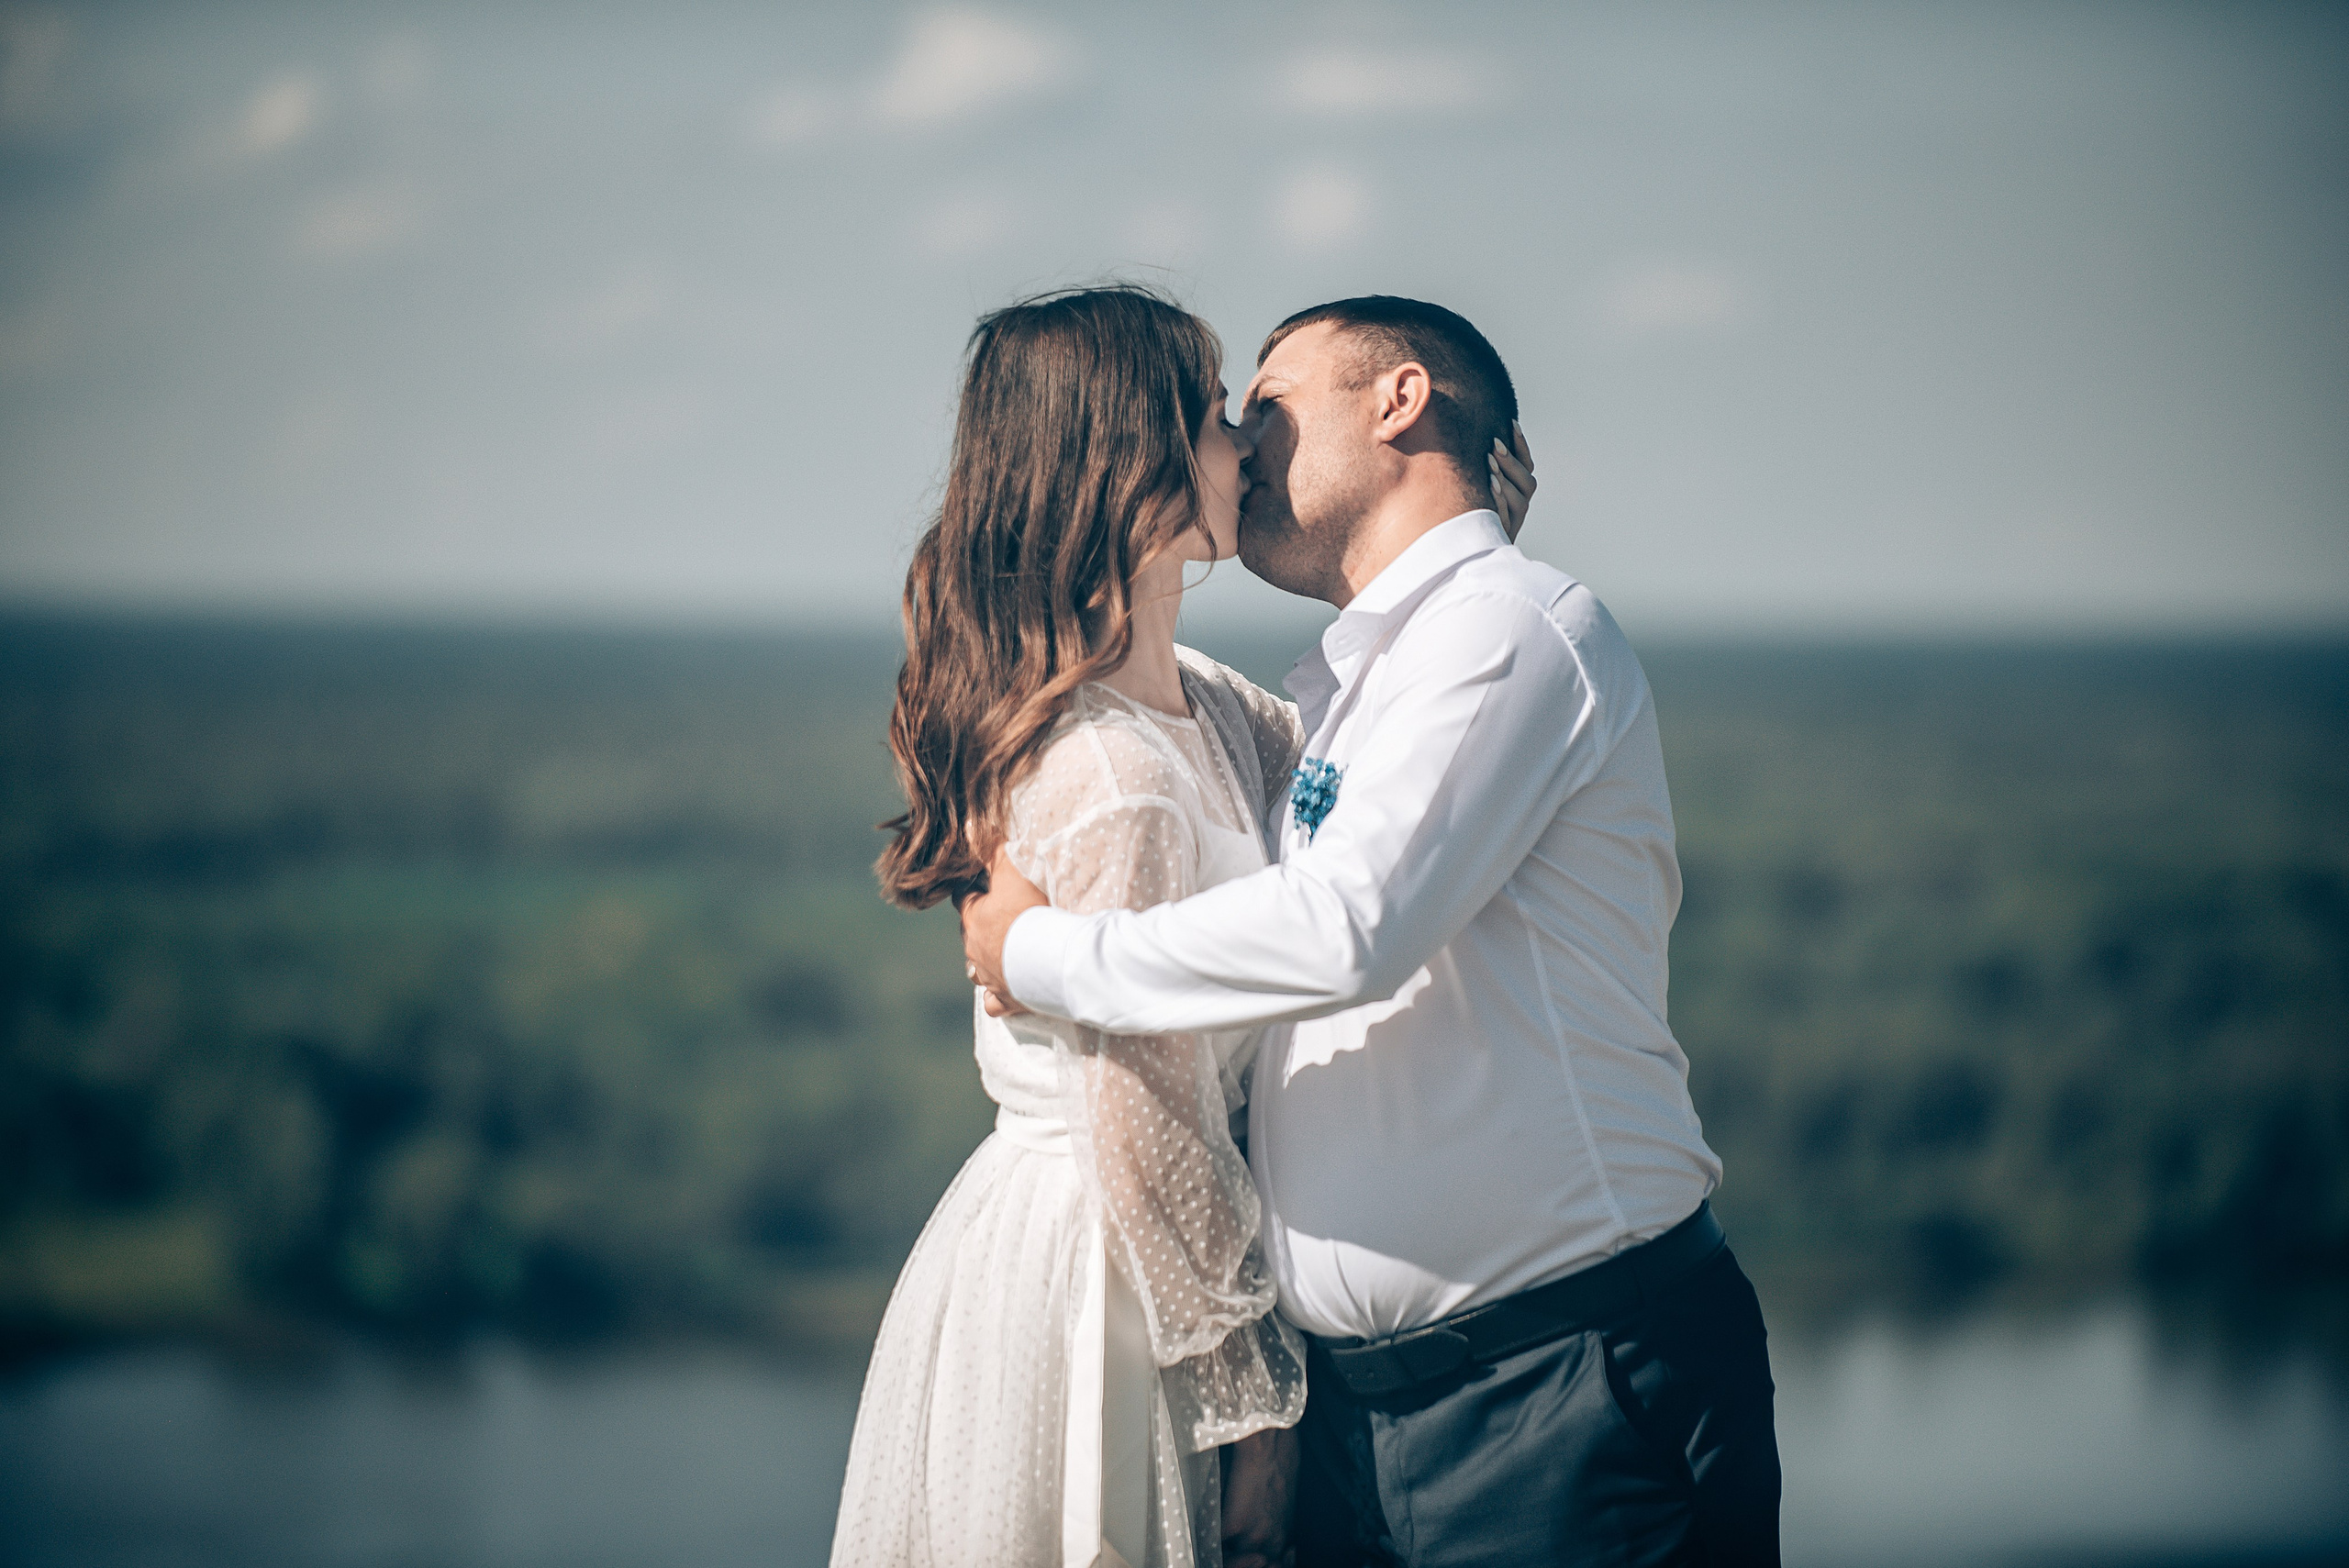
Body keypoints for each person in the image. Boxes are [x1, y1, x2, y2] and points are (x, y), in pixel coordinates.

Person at [962, 296, 1781, 1567]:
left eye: (1270, 405)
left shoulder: (1508, 627)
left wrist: (1041, 958)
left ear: (1399, 400)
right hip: (1366, 1417)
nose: (1241, 441)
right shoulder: (1388, 674)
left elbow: (1352, 930)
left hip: (1557, 1384)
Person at [830, 285, 1535, 1568]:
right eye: (1217, 415)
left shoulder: (1204, 708)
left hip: (1147, 1258)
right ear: (1132, 459)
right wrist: (1252, 1409)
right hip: (1114, 1283)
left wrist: (1469, 553)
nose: (1247, 446)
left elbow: (1382, 770)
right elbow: (1147, 1116)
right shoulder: (1115, 777)